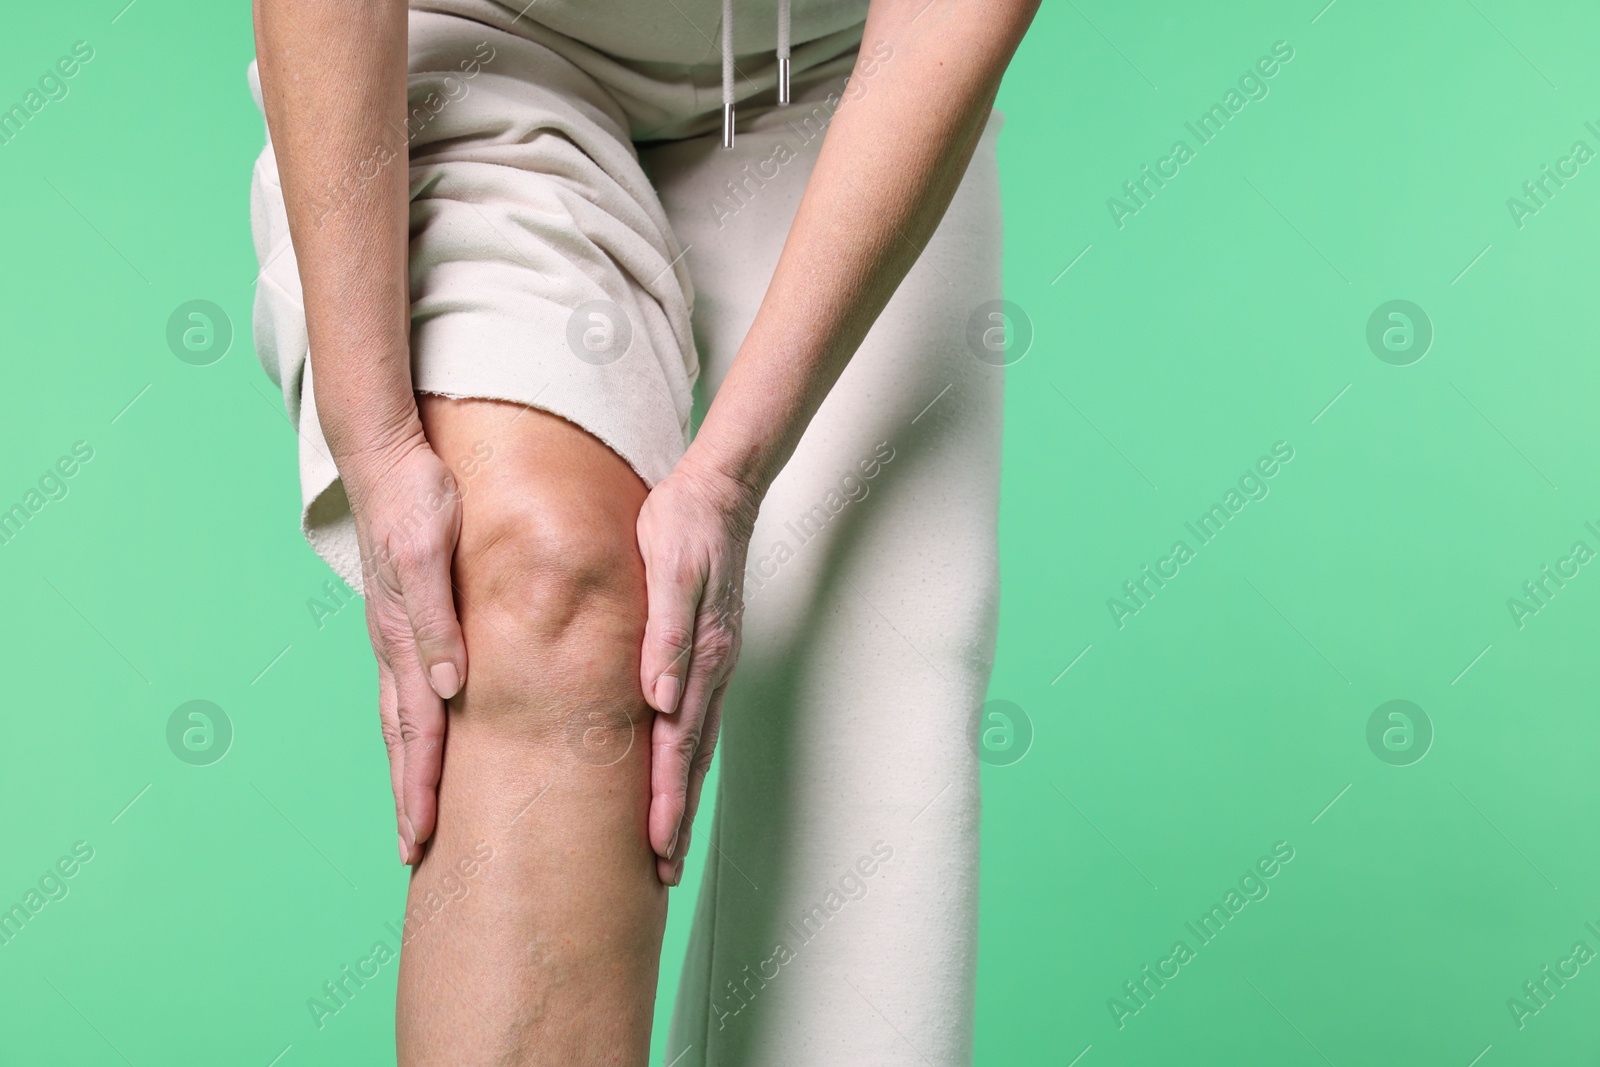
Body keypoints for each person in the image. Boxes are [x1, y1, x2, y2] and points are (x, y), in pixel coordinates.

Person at [249, 0, 1036, 1060]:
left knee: (876, 701)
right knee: (541, 589)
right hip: (483, 37)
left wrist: (730, 474)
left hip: (841, 59)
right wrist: (378, 438)